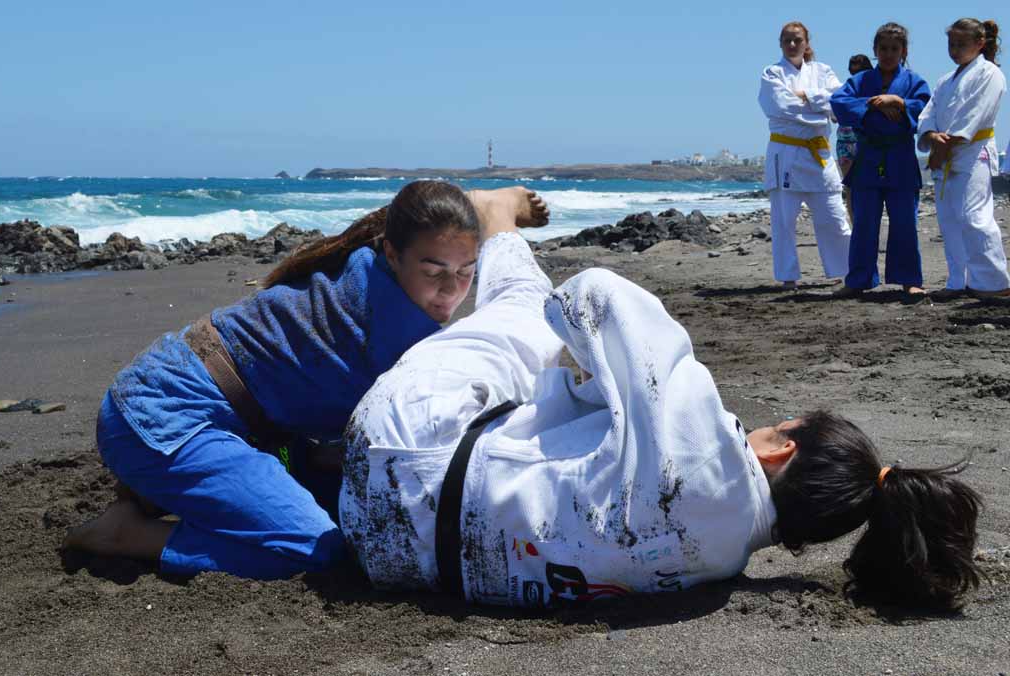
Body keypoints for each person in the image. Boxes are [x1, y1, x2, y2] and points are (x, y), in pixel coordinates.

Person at [341, 219, 983, 611]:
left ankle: (498, 219)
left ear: (782, 447)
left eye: (775, 426)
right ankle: (315, 456)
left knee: (522, 310)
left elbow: (593, 295)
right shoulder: (719, 562)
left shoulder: (705, 442)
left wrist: (590, 359)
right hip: (393, 554)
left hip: (402, 438)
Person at [62, 181, 549, 579]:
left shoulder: (364, 260)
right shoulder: (397, 327)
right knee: (312, 545)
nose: (450, 290)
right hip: (160, 415)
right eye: (433, 269)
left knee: (342, 494)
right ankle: (125, 534)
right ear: (393, 252)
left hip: (232, 417)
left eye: (466, 271)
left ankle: (168, 489)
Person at [830, 23, 932, 298]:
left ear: (904, 51)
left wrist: (899, 101)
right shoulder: (860, 81)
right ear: (875, 51)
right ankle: (859, 279)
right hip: (868, 156)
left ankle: (910, 279)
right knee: (863, 221)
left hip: (900, 156)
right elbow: (838, 103)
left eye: (894, 49)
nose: (888, 54)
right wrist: (875, 104)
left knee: (905, 222)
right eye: (883, 49)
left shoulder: (914, 82)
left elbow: (923, 109)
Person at [917, 18, 1010, 300]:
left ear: (980, 44)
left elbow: (974, 114)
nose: (954, 50)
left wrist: (945, 146)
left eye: (961, 44)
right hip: (944, 152)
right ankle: (960, 280)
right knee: (949, 220)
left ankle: (996, 283)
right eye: (951, 44)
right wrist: (932, 137)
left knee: (974, 216)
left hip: (973, 152)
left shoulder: (990, 73)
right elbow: (928, 114)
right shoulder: (946, 80)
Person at [758, 21, 853, 288]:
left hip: (819, 153)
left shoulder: (823, 71)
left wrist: (807, 96)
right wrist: (821, 108)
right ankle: (788, 276)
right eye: (786, 40)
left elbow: (841, 100)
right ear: (780, 43)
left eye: (797, 40)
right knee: (784, 222)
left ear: (807, 43)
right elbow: (780, 106)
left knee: (834, 216)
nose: (791, 45)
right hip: (786, 154)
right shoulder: (772, 73)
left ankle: (845, 270)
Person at [836, 54, 874, 222]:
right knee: (850, 189)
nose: (855, 75)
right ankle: (856, 230)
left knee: (870, 188)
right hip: (845, 143)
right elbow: (834, 115)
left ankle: (866, 228)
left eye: (859, 71)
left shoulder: (876, 89)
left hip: (867, 142)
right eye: (853, 72)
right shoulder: (847, 89)